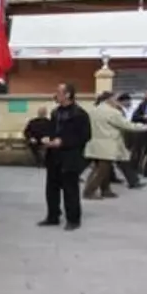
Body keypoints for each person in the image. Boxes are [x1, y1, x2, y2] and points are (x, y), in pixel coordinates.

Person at [40, 82, 92, 231]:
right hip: (53, 156)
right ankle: (52, 216)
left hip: (70, 156)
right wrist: (46, 138)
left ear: (68, 94)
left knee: (70, 189)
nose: (56, 94)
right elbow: (51, 130)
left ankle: (73, 219)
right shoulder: (55, 112)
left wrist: (63, 142)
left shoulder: (79, 114)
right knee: (52, 188)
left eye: (59, 92)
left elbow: (85, 136)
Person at [83, 92, 147, 200]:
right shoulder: (112, 112)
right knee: (101, 170)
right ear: (109, 100)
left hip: (95, 143)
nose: (117, 101)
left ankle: (106, 190)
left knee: (103, 169)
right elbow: (126, 125)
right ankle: (89, 191)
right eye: (115, 99)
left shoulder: (94, 110)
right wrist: (144, 127)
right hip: (107, 144)